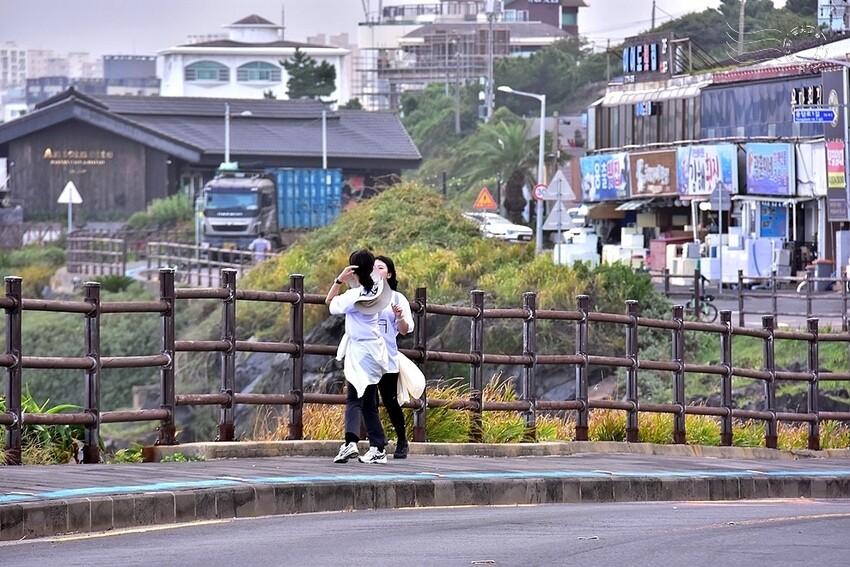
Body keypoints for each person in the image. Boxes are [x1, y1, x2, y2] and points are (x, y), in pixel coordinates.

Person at [326, 248, 392, 464]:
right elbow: (366, 282)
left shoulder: (352, 297)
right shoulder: (379, 288)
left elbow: (330, 302)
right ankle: (378, 446)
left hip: (359, 351)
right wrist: (355, 277)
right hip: (376, 350)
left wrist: (339, 279)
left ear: (353, 270)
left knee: (354, 398)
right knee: (369, 400)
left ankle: (350, 442)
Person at [374, 255, 414, 459]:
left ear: (389, 273)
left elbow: (405, 330)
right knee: (367, 401)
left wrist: (398, 317)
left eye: (380, 268)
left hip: (388, 357)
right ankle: (377, 443)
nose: (376, 271)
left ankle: (402, 441)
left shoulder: (398, 299)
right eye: (373, 267)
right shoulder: (363, 295)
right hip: (366, 358)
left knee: (390, 401)